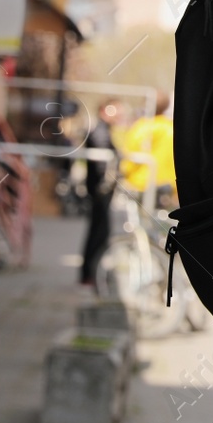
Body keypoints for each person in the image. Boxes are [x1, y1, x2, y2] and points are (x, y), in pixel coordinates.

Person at [78, 102, 119, 288]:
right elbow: (103, 158)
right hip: (99, 191)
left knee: (99, 232)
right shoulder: (100, 130)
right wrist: (107, 179)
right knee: (99, 233)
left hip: (99, 190)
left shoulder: (103, 129)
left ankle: (90, 273)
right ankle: (90, 273)